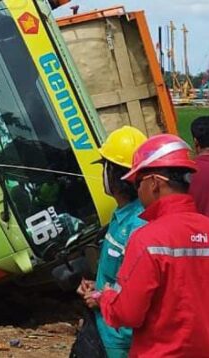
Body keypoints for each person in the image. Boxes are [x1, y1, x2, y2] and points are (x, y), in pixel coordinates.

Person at [96, 134, 209, 357]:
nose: (137, 191)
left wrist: (107, 297)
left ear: (154, 183)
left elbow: (128, 314)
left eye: (138, 183)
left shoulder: (147, 240)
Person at [75, 126, 148, 358]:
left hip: (120, 339)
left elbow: (138, 290)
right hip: (105, 328)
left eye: (105, 167)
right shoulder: (121, 216)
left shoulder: (138, 225)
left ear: (115, 175)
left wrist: (100, 299)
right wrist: (97, 289)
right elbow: (119, 277)